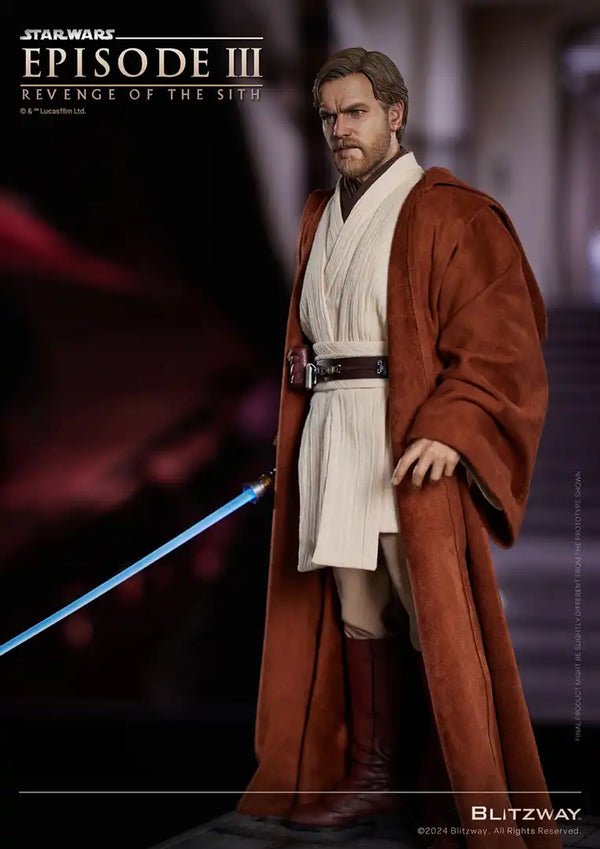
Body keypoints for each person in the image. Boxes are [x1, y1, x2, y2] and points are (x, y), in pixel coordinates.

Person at [237, 47, 562, 849]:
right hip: (332, 432)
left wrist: (455, 423)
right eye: (328, 116)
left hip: (405, 434)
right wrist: (293, 442)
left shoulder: (453, 212)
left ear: (395, 114)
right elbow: (311, 343)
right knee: (357, 610)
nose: (339, 129)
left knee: (433, 619)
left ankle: (457, 790)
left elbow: (504, 340)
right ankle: (375, 774)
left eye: (355, 112)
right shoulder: (322, 215)